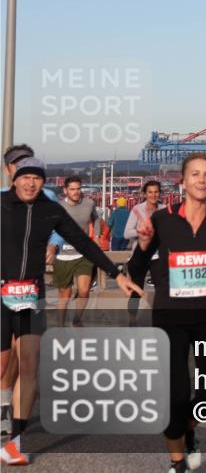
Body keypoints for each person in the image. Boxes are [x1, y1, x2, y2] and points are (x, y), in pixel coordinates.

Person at [2, 158, 141, 465]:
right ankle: (2, 407)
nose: (30, 183)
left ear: (43, 183)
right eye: (25, 177)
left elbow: (83, 242)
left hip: (32, 295)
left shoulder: (50, 211)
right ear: (15, 180)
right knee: (2, 365)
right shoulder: (1, 204)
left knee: (29, 366)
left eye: (37, 179)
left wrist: (116, 273)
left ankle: (14, 442)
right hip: (0, 292)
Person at [130, 153, 206, 472]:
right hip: (170, 317)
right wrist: (142, 242)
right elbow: (137, 268)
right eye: (195, 174)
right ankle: (177, 462)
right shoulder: (162, 220)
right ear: (182, 180)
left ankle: (190, 431)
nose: (202, 180)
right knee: (175, 397)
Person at [0, 146, 57, 438]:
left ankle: (14, 423)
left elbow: (60, 227)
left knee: (27, 357)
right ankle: (4, 400)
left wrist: (53, 244)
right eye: (16, 164)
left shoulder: (47, 197)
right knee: (6, 354)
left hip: (31, 288)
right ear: (9, 169)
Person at [53, 176, 102, 328]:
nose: (76, 192)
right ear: (65, 190)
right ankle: (60, 325)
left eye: (78, 189)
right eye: (72, 189)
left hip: (83, 254)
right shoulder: (58, 206)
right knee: (64, 294)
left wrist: (96, 236)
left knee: (84, 290)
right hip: (63, 255)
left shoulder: (89, 203)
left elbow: (97, 219)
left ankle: (77, 319)